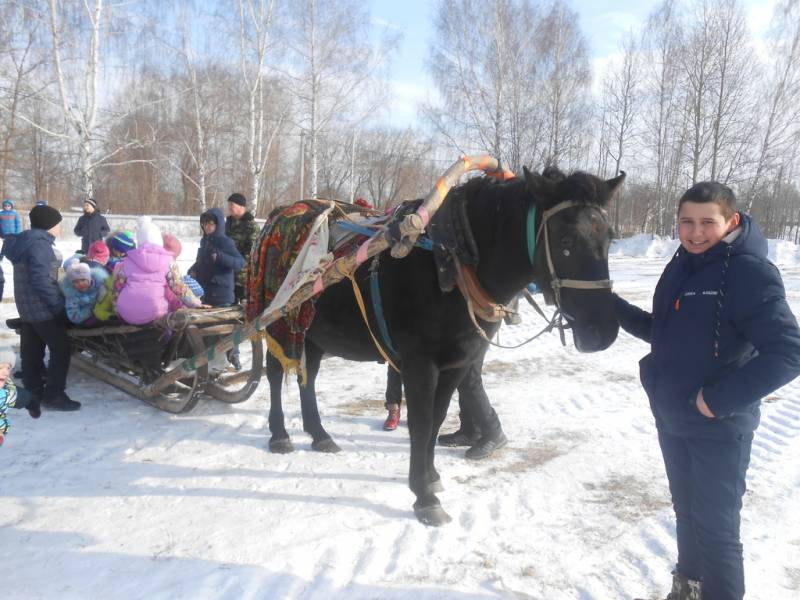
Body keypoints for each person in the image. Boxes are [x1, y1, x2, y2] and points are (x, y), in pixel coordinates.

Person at [615, 182, 800, 600]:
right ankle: (688, 589)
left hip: (720, 427)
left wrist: (714, 401)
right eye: (686, 222)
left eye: (706, 223)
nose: (695, 232)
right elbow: (664, 333)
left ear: (731, 222)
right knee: (686, 515)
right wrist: (613, 308)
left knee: (717, 533)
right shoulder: (682, 265)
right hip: (673, 418)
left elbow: (789, 352)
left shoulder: (750, 273)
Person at [2, 204, 79, 413]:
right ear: (49, 225)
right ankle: (54, 395)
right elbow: (42, 281)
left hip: (26, 307)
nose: (59, 229)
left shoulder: (25, 242)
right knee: (61, 347)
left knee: (32, 350)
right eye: (57, 224)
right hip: (40, 308)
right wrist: (58, 308)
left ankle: (33, 390)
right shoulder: (40, 245)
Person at [384, 356, 508, 460]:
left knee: (470, 380)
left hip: (473, 332)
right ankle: (471, 431)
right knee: (463, 380)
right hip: (461, 332)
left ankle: (494, 433)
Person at [114, 217, 202, 325]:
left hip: (126, 312)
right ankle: (166, 335)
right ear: (158, 240)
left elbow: (117, 287)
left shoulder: (128, 260)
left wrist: (116, 308)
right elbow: (178, 287)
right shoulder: (168, 261)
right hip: (155, 312)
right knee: (168, 308)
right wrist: (196, 303)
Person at [190, 207, 245, 307]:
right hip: (206, 294)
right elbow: (201, 262)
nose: (207, 226)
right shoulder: (205, 242)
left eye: (211, 223)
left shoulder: (225, 242)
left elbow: (240, 263)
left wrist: (220, 257)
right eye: (205, 223)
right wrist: (192, 271)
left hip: (221, 296)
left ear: (218, 225)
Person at [224, 193, 259, 304]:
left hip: (243, 275)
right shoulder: (228, 223)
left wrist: (235, 262)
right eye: (229, 205)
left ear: (241, 207)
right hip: (227, 271)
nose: (229, 208)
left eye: (232, 205)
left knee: (243, 305)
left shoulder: (251, 226)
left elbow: (252, 251)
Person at [0, 345, 34, 446]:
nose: (5, 372)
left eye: (8, 368)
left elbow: (15, 395)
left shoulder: (6, 390)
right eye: (0, 367)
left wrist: (30, 400)